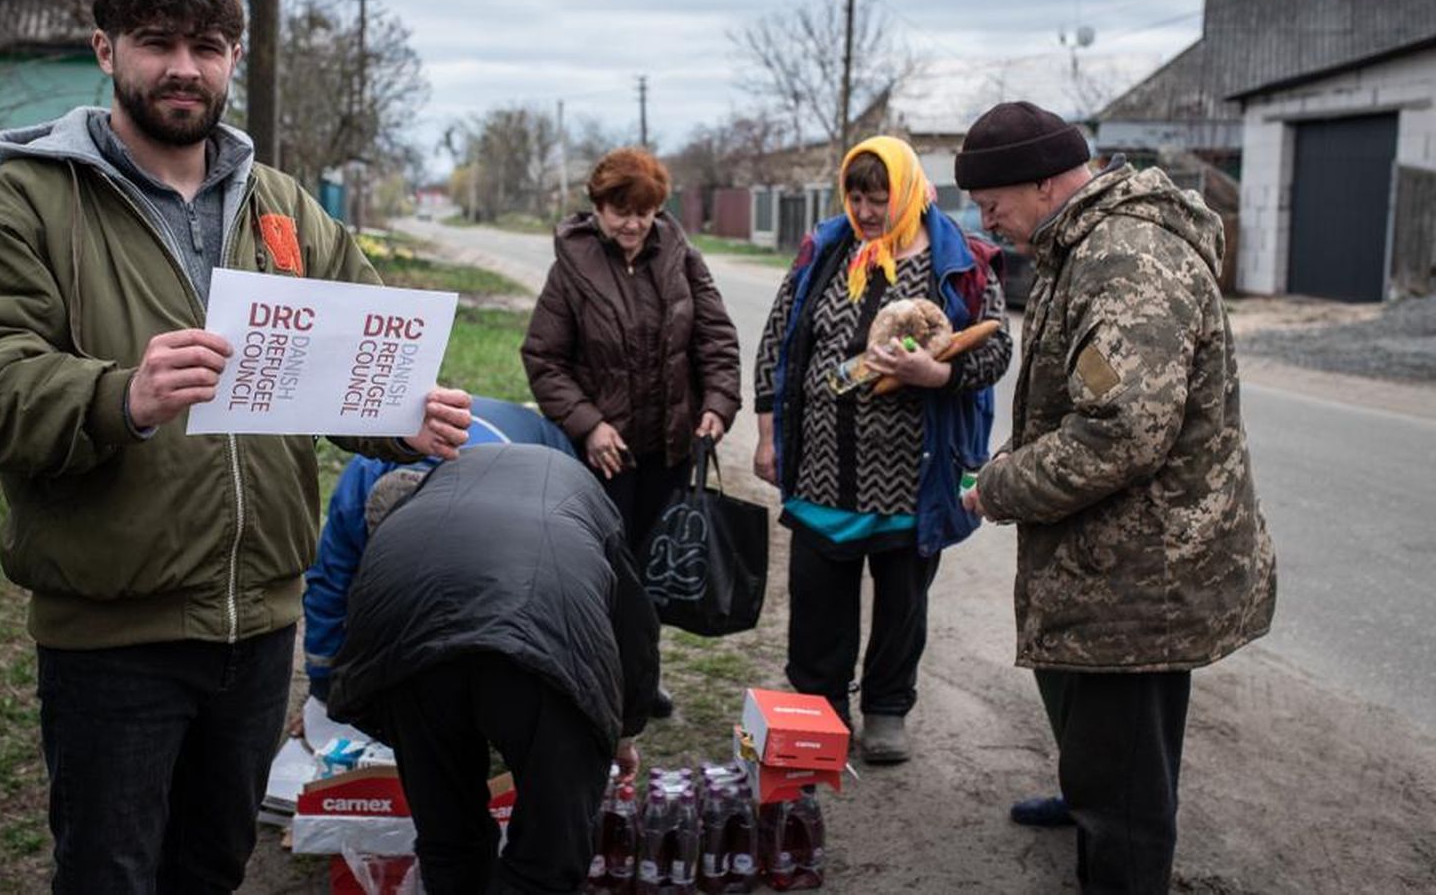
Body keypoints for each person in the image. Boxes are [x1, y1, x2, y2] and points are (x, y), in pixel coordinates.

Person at [0, 0, 472, 894]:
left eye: (208, 44)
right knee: (110, 873)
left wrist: (401, 418)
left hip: (259, 623)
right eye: (157, 40)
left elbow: (351, 353)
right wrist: (116, 395)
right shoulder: (31, 204)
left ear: (232, 60)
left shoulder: (282, 207)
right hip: (114, 634)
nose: (185, 65)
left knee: (212, 865)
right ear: (106, 49)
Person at [956, 101, 1277, 893]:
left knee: (1127, 790)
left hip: (1144, 579)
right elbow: (1092, 401)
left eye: (992, 200)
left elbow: (1119, 434)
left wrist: (999, 485)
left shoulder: (1124, 255)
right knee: (1104, 748)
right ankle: (1084, 793)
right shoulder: (1084, 244)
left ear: (1044, 179)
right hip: (1121, 563)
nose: (985, 217)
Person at [753, 135, 1012, 764]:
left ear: (907, 190)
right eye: (857, 197)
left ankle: (887, 709)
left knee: (902, 603)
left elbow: (996, 349)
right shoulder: (826, 248)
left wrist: (939, 375)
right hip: (822, 468)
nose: (866, 212)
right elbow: (779, 343)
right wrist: (767, 435)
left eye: (879, 198)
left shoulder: (959, 258)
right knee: (819, 604)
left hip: (912, 475)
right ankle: (821, 713)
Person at [328, 444, 660, 895]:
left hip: (429, 653)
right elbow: (635, 627)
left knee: (449, 836)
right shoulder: (571, 483)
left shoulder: (406, 523)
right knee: (548, 853)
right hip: (544, 649)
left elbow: (362, 645)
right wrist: (621, 730)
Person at [521, 146, 741, 715]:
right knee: (605, 576)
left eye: (645, 212)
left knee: (652, 575)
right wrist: (589, 426)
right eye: (621, 211)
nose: (633, 224)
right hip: (606, 459)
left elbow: (715, 336)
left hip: (670, 448)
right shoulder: (571, 266)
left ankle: (641, 683)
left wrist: (717, 403)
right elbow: (544, 359)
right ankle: (599, 683)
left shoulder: (679, 255)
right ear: (597, 206)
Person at [302, 395, 576, 701]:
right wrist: (324, 687)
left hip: (539, 454)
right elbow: (330, 583)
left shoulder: (514, 511)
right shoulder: (357, 491)